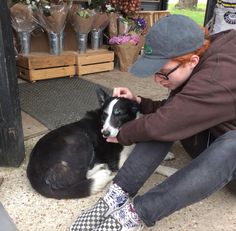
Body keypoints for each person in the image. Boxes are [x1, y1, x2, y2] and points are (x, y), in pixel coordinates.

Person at [70, 14, 236, 231]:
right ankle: (116, 196)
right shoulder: (200, 51)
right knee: (161, 123)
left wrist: (121, 134)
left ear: (192, 61)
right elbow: (181, 111)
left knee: (227, 142)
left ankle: (133, 216)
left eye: (163, 74)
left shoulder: (219, 76)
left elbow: (170, 120)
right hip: (212, 132)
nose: (158, 81)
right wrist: (139, 102)